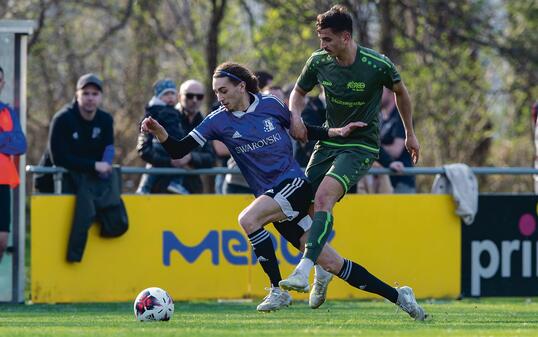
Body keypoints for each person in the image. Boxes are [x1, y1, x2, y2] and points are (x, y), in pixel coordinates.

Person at [141, 62, 425, 320]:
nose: (220, 97)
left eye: (224, 90)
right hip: (273, 199)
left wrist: (336, 132)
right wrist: (160, 133)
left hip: (294, 184)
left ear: (241, 86)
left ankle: (278, 290)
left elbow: (302, 131)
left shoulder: (271, 105)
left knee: (248, 220)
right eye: (216, 92)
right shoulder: (218, 120)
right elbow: (179, 149)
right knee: (333, 262)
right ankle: (401, 297)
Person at [280, 5, 424, 320]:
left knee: (323, 198)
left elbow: (401, 92)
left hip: (360, 145)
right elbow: (298, 93)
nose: (323, 46)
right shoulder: (318, 62)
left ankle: (304, 269)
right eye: (321, 39)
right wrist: (295, 116)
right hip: (329, 141)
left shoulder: (376, 64)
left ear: (346, 37)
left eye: (328, 40)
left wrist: (410, 134)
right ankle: (323, 270)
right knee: (307, 206)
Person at [46, 73, 128, 261]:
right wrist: (93, 166)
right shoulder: (63, 118)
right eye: (86, 93)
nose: (90, 98)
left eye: (95, 94)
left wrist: (106, 164)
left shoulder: (106, 119)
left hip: (91, 178)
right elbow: (58, 158)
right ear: (77, 95)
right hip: (60, 180)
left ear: (100, 97)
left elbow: (108, 147)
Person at [136, 79, 190, 194]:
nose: (170, 97)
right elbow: (145, 126)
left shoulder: (177, 112)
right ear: (159, 96)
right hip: (160, 144)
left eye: (172, 94)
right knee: (153, 167)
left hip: (173, 143)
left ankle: (175, 183)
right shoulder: (155, 110)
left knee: (180, 158)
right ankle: (144, 188)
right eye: (166, 94)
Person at [0, 66, 27, 261]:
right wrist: (5, 138)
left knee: (1, 240)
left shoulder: (8, 111)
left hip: (2, 181)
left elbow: (20, 144)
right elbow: (11, 140)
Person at [174, 79, 215, 193]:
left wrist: (190, 157)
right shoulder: (168, 118)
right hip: (163, 185)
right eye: (189, 96)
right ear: (179, 97)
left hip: (192, 187)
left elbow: (211, 158)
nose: (194, 100)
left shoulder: (206, 123)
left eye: (199, 96)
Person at [379, 88, 416, 193]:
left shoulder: (401, 116)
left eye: (379, 91)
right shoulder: (379, 117)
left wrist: (373, 148)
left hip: (402, 182)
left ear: (391, 91)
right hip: (384, 184)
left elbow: (396, 150)